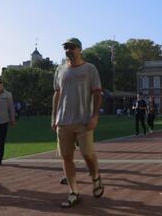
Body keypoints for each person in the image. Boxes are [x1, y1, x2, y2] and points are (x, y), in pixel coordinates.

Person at [52, 38, 104, 208]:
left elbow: (97, 94)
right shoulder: (60, 70)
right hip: (64, 121)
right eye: (66, 47)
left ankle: (95, 176)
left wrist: (95, 116)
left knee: (88, 154)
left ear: (80, 49)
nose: (68, 50)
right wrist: (54, 117)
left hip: (83, 121)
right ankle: (73, 192)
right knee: (66, 158)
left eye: (72, 47)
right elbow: (57, 94)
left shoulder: (90, 69)